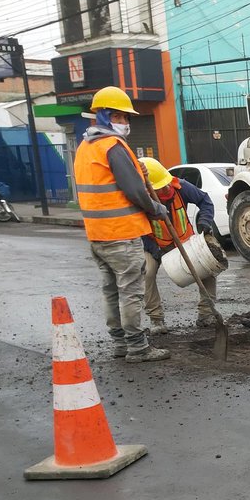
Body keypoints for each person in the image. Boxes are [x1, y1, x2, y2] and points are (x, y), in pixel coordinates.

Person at [73, 86, 170, 362]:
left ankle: (120, 343)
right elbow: (135, 190)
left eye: (127, 118)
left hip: (98, 236)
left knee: (111, 290)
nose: (125, 123)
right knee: (131, 291)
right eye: (121, 117)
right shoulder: (113, 147)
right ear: (105, 116)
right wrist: (156, 209)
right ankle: (138, 347)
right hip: (121, 233)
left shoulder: (84, 147)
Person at [138, 157, 228, 332]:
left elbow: (205, 201)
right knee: (147, 272)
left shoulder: (180, 187)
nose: (165, 189)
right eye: (159, 187)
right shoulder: (140, 199)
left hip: (183, 241)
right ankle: (156, 319)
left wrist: (205, 222)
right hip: (154, 243)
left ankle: (206, 314)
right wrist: (152, 248)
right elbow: (136, 227)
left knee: (208, 269)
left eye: (165, 184)